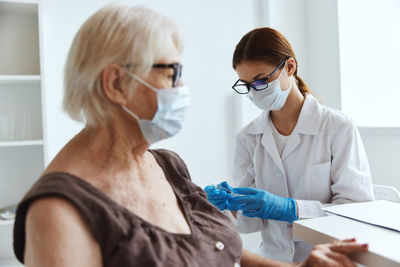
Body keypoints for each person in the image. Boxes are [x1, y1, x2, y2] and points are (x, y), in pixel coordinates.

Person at [13, 5, 368, 267]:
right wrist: (236, 207)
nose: (182, 88)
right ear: (117, 83)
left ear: (290, 67)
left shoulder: (167, 167)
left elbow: (218, 249)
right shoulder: (59, 212)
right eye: (172, 72)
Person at [205, 27, 374, 263]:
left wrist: (292, 209)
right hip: (272, 260)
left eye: (261, 80)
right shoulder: (248, 137)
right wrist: (228, 206)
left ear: (290, 67)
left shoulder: (337, 127)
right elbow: (249, 224)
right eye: (246, 84)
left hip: (328, 260)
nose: (255, 91)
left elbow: (357, 213)